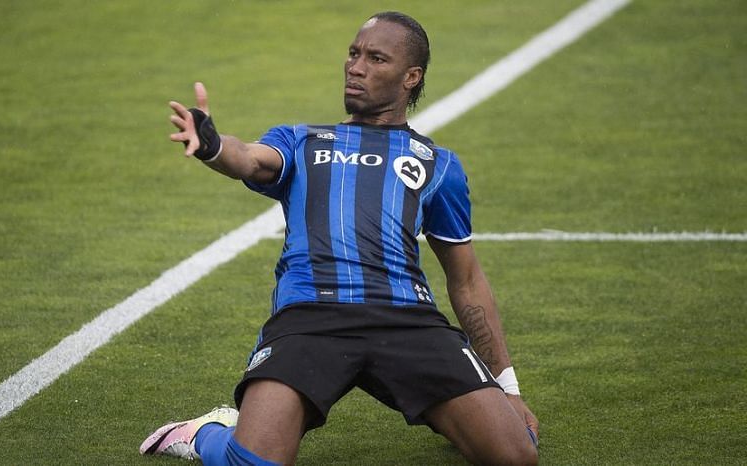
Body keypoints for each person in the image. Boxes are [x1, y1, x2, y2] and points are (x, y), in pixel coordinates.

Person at [140, 11, 539, 466]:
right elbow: (250, 159)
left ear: (412, 77)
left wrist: (507, 390)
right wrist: (212, 145)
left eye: (376, 58)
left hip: (407, 321)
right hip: (311, 317)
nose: (356, 67)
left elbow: (465, 280)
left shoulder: (438, 164)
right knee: (252, 462)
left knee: (517, 456)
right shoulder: (301, 141)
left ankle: (462, 413)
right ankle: (206, 433)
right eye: (353, 54)